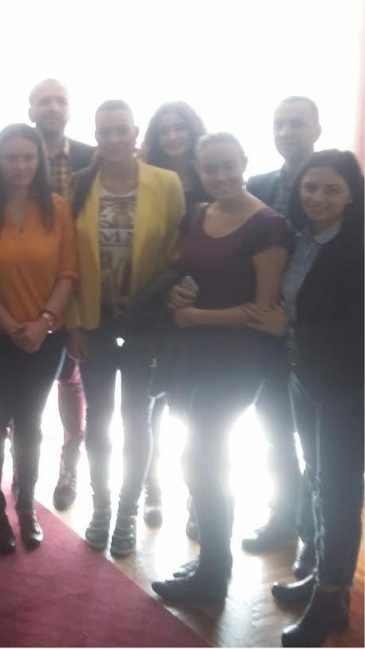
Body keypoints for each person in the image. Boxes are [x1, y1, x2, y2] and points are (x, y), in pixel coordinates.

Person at [151, 133, 292, 604]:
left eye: (229, 165)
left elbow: (262, 310)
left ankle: (214, 572)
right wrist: (178, 295)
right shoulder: (201, 213)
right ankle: (212, 559)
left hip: (238, 360)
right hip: (194, 353)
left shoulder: (268, 226)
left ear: (245, 162)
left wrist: (195, 316)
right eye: (210, 168)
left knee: (204, 458)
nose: (221, 176)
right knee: (198, 457)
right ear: (198, 170)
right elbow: (191, 273)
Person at [65, 100, 185, 558]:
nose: (114, 138)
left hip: (145, 323)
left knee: (139, 418)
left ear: (135, 133)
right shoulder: (80, 184)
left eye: (122, 130)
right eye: (105, 131)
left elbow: (177, 253)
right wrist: (74, 325)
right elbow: (68, 262)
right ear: (96, 136)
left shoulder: (166, 183)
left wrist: (161, 309)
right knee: (98, 416)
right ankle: (101, 507)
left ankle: (128, 511)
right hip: (93, 320)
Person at [255, 150, 362, 647]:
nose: (318, 197)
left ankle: (330, 599)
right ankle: (326, 582)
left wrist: (291, 328)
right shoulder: (301, 237)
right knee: (317, 482)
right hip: (304, 375)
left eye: (331, 189)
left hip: (349, 386)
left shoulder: (357, 245)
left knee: (339, 494)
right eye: (310, 187)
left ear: (351, 195)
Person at [0, 124, 77, 552]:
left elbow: (69, 273)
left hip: (45, 339)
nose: (21, 165)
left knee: (30, 423)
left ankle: (26, 505)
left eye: (29, 157)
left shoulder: (58, 207)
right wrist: (12, 326)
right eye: (12, 157)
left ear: (39, 162)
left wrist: (43, 323)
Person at [241, 96, 322, 565]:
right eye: (280, 124)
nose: (287, 131)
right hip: (266, 336)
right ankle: (282, 516)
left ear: (317, 129)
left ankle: (314, 533)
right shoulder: (259, 185)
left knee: (317, 444)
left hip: (317, 338)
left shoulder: (338, 186)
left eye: (297, 123)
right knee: (274, 432)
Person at [138, 101, 209, 534]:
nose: (173, 136)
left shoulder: (211, 174)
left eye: (180, 128)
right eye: (164, 130)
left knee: (196, 409)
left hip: (205, 304)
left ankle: (198, 496)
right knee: (153, 403)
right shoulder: (147, 179)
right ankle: (152, 487)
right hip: (157, 301)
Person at [27, 78, 95, 512]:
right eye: (43, 101)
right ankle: (23, 468)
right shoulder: (15, 154)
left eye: (60, 101)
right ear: (30, 110)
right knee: (23, 386)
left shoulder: (93, 157)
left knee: (70, 380)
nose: (52, 107)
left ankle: (69, 467)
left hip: (77, 282)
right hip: (23, 282)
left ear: (69, 109)